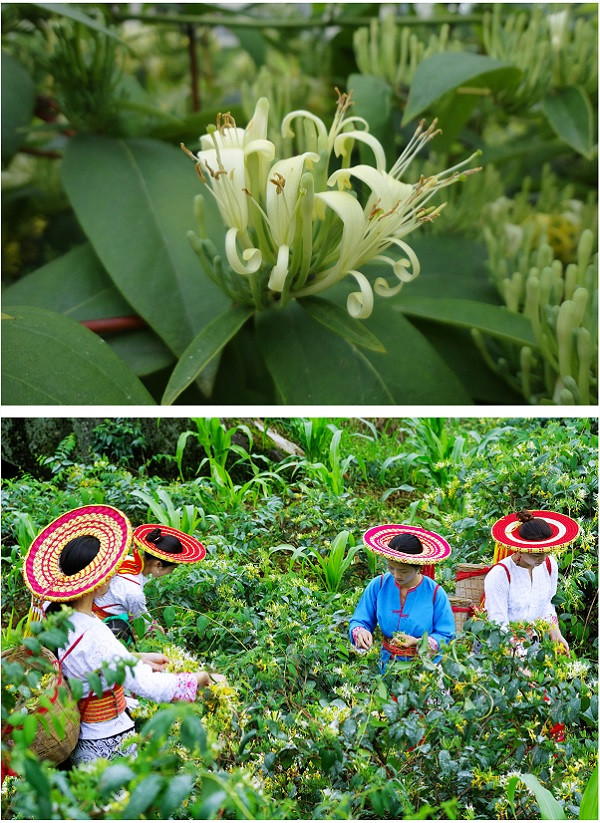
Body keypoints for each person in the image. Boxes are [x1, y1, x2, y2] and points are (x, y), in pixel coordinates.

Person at [22, 505, 224, 765]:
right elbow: (150, 687)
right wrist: (202, 678)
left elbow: (88, 662)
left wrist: (136, 657)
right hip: (104, 740)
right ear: (99, 579)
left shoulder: (58, 615)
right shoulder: (95, 633)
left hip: (78, 736)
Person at [349, 524, 455, 671]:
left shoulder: (436, 593)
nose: (396, 575)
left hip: (424, 671)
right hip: (387, 667)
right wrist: (360, 631)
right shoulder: (379, 585)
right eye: (391, 568)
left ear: (418, 567)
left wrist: (419, 642)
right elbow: (360, 619)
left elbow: (446, 634)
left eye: (404, 571)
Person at [484, 509, 579, 654]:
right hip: (499, 647)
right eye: (536, 554)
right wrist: (516, 660)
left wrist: (555, 632)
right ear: (520, 549)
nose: (542, 558)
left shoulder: (549, 565)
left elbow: (546, 603)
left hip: (530, 643)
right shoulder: (500, 575)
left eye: (546, 552)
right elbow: (497, 623)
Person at [93, 524, 206, 642]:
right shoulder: (134, 592)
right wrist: (156, 629)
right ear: (158, 565)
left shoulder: (127, 561)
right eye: (171, 569)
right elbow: (142, 619)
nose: (170, 573)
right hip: (102, 624)